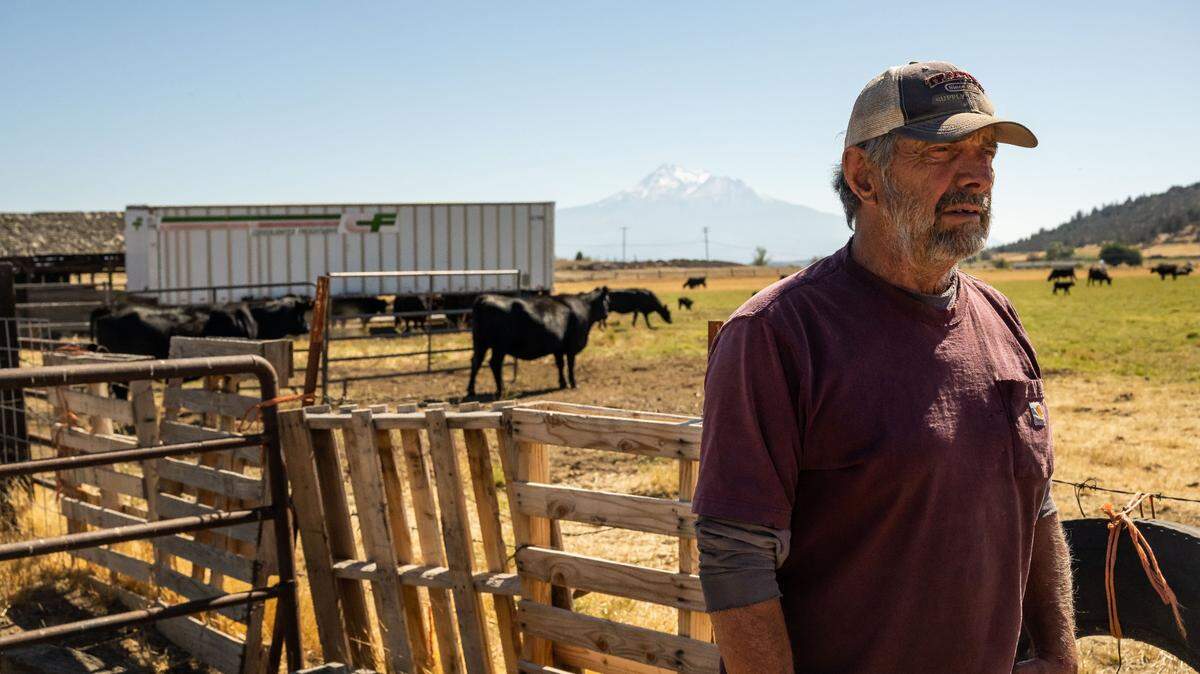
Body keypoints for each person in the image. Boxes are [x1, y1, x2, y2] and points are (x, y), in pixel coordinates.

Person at [693, 61, 1078, 673]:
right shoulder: (777, 335)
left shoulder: (999, 318)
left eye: (986, 152)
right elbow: (736, 556)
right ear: (863, 176)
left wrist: (1059, 653)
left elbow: (1037, 502)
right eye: (941, 152)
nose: (977, 176)